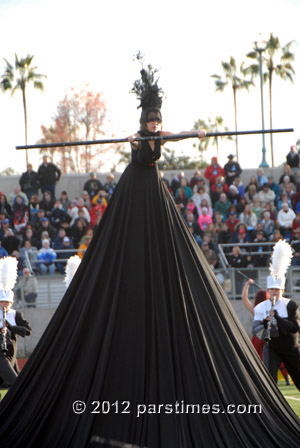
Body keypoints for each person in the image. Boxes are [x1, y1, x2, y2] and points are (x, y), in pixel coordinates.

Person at [1, 63, 300, 448]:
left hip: (155, 194)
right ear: (144, 122)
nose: (156, 126)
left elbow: (175, 137)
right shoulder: (138, 139)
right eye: (152, 122)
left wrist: (197, 133)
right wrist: (135, 141)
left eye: (159, 122)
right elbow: (141, 147)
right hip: (134, 194)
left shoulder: (160, 135)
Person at [253, 240, 300, 390]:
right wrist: (265, 323)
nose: (274, 291)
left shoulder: (290, 305)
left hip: (291, 348)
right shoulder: (261, 307)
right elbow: (256, 332)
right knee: (269, 381)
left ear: (282, 290)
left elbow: (295, 328)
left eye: (277, 289)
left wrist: (278, 318)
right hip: (272, 347)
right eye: (272, 289)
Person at [242, 279, 291, 385]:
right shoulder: (272, 307)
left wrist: (247, 284)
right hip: (270, 335)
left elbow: (244, 298)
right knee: (276, 357)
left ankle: (258, 378)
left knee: (257, 358)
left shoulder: (255, 309)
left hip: (258, 337)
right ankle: (286, 377)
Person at [0, 257, 31, 388]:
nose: (4, 304)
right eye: (2, 302)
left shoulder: (15, 314)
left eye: (7, 302)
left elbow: (27, 331)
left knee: (16, 384)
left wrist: (12, 327)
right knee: (13, 383)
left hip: (11, 354)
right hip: (0, 356)